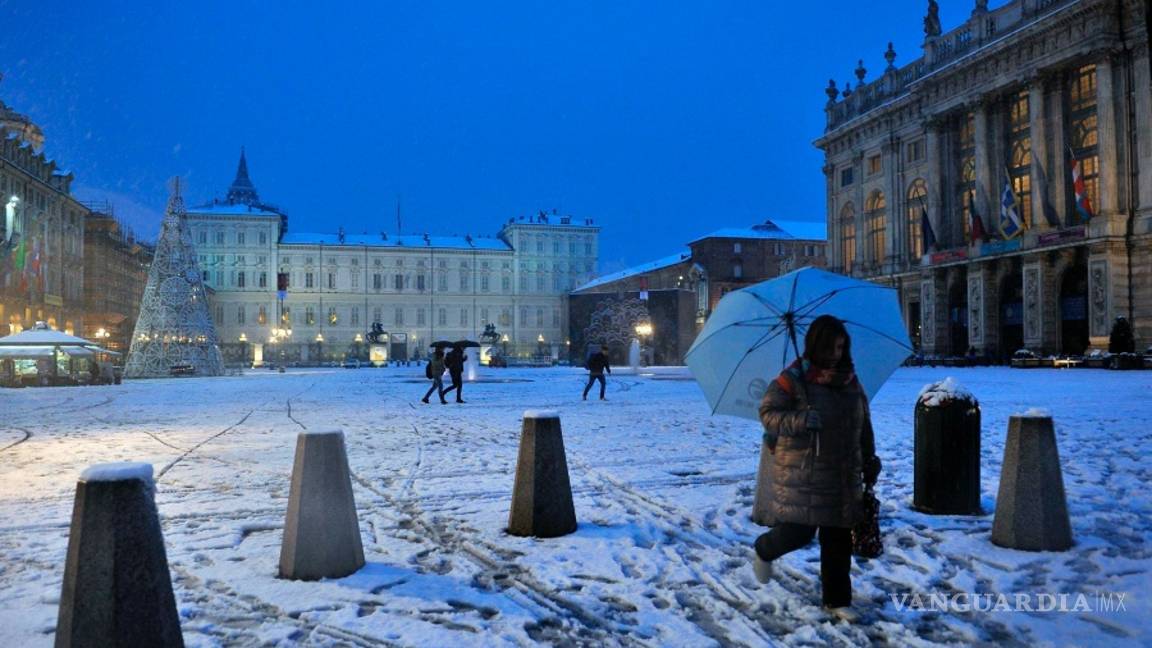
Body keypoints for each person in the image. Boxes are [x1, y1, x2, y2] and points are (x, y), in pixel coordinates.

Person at [753, 315, 881, 620]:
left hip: (842, 473)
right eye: (830, 347)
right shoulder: (793, 378)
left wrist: (870, 457)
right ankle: (764, 549)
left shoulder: (850, 380)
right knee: (798, 532)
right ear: (816, 345)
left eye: (841, 347)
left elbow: (863, 422)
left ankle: (837, 600)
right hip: (803, 473)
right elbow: (768, 413)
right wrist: (799, 420)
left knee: (837, 540)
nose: (836, 354)